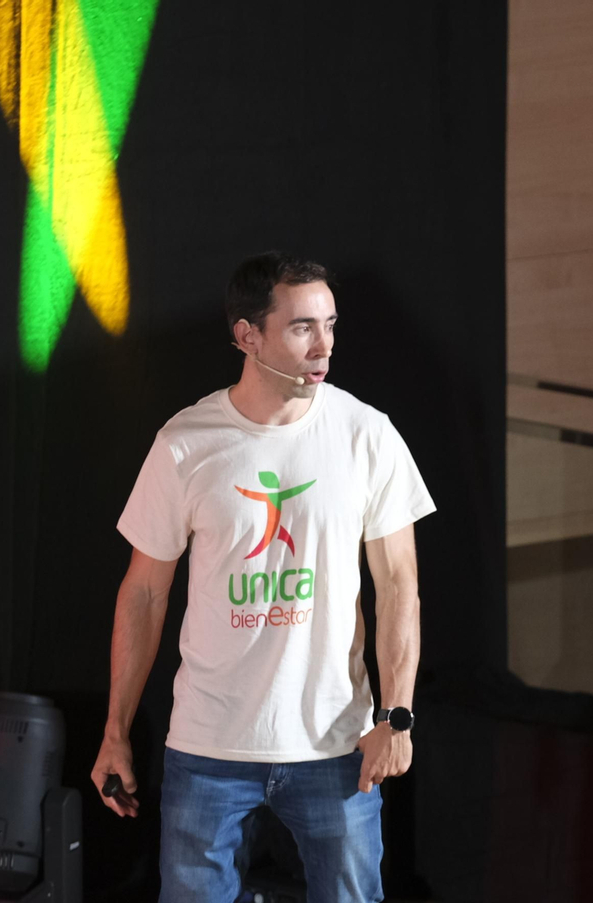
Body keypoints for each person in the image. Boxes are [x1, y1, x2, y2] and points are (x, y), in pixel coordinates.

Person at [91, 253, 435, 903]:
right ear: (248, 335)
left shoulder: (367, 435)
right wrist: (115, 731)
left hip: (335, 745)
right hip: (208, 746)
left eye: (331, 323)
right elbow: (142, 592)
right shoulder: (185, 443)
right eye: (303, 327)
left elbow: (399, 588)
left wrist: (399, 716)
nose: (325, 344)